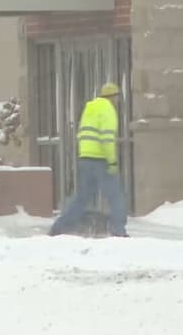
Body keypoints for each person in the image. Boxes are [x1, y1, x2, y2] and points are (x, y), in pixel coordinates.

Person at [49, 82, 129, 238]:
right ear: (113, 97)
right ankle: (118, 229)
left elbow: (82, 134)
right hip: (100, 159)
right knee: (115, 196)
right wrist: (112, 161)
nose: (118, 101)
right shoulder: (108, 110)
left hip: (85, 158)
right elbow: (106, 138)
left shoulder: (90, 108)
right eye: (117, 97)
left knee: (82, 197)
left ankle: (59, 227)